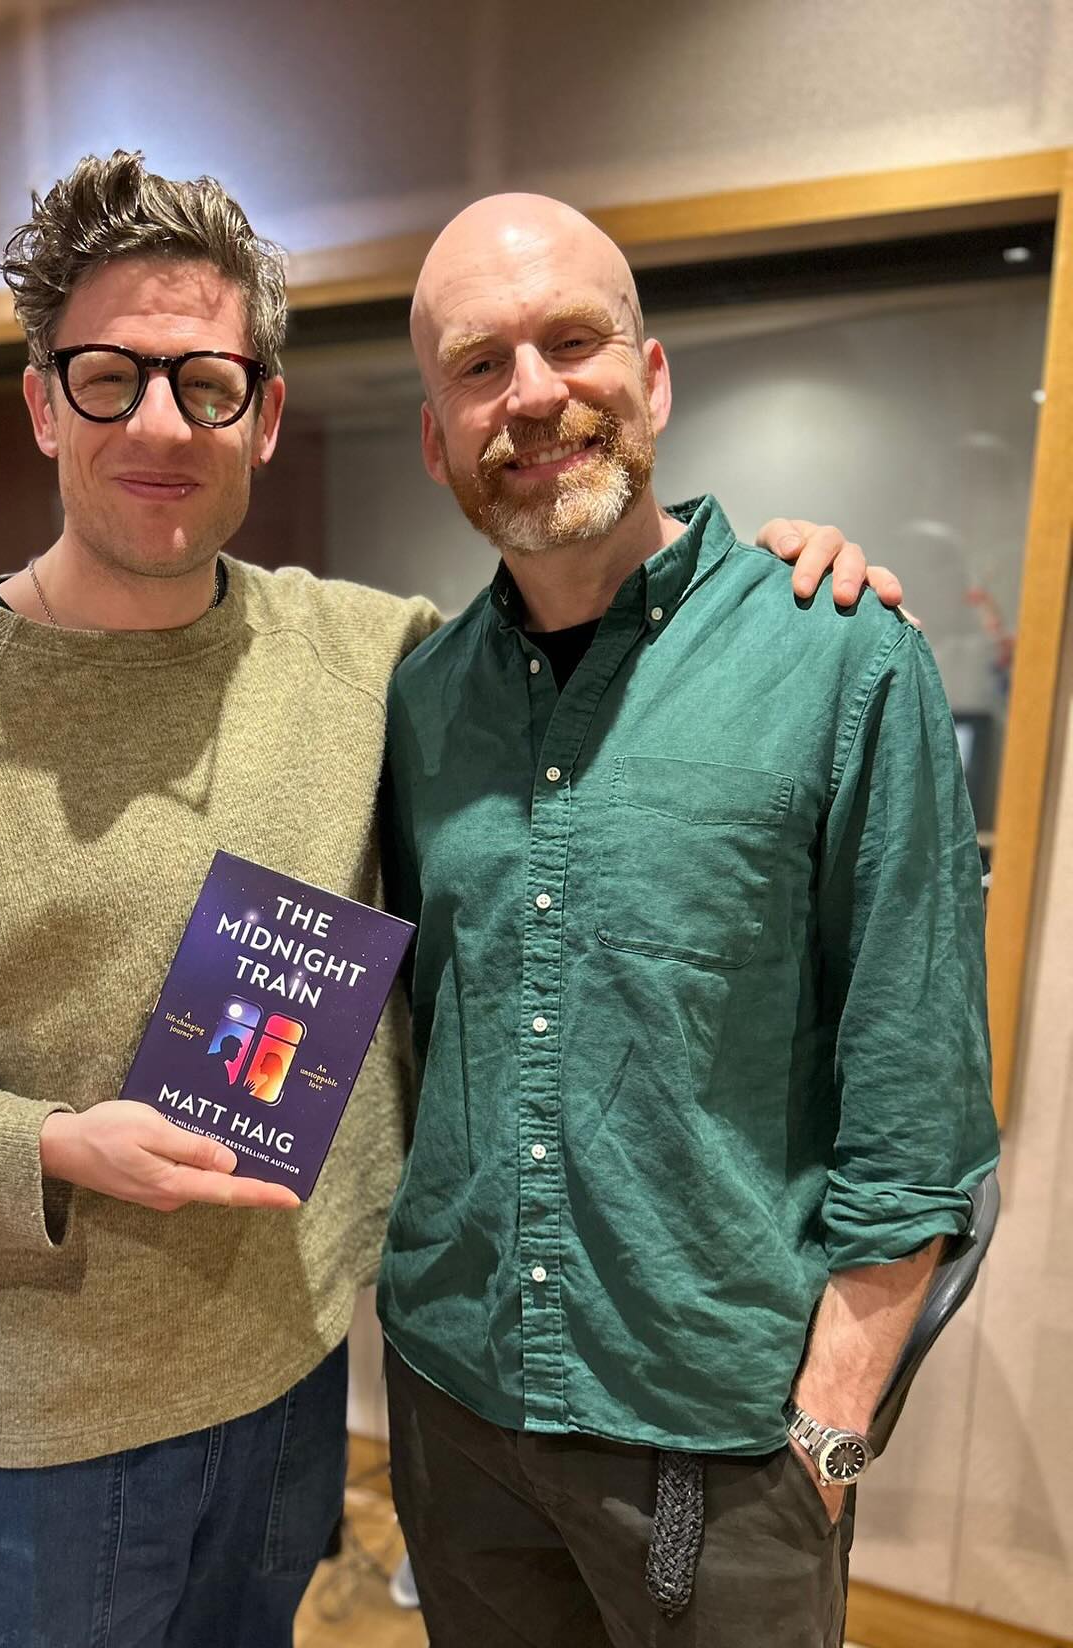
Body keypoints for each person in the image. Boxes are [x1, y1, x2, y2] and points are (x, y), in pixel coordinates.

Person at [0, 153, 894, 1648]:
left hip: (293, 1390)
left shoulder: (369, 657)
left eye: (203, 382)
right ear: (39, 402)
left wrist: (778, 584)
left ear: (261, 416)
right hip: (46, 1441)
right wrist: (49, 1147)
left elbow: (586, 611)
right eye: (106, 376)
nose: (156, 422)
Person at [377, 192, 1000, 1647]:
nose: (532, 394)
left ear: (650, 378)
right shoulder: (419, 702)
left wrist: (831, 1429)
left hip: (721, 1447)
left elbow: (915, 1104)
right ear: (436, 435)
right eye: (478, 366)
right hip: (456, 1408)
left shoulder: (842, 657)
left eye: (572, 341)